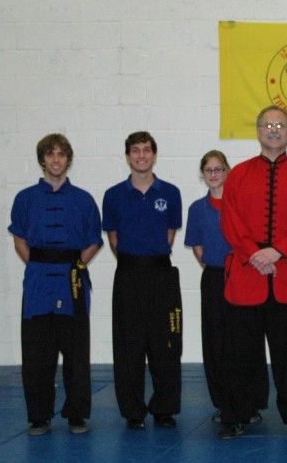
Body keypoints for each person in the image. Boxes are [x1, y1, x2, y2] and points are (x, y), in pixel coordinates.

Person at [219, 106, 287, 440]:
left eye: (280, 125)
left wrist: (277, 251)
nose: (274, 130)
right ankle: (236, 414)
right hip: (246, 277)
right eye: (268, 124)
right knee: (240, 354)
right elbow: (230, 221)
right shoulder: (238, 175)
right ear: (258, 130)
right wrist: (254, 254)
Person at [9, 134, 102, 436]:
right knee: (37, 355)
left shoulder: (84, 199)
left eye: (61, 154)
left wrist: (75, 267)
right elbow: (20, 239)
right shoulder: (25, 198)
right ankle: (39, 416)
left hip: (71, 282)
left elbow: (93, 241)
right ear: (43, 159)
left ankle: (76, 414)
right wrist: (38, 264)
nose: (56, 160)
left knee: (76, 354)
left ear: (68, 159)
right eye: (51, 155)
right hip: (38, 283)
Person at [102, 131, 183, 430]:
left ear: (154, 154)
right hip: (128, 274)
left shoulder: (170, 193)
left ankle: (164, 408)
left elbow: (170, 235)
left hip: (161, 273)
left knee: (166, 343)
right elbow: (113, 239)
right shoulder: (113, 195)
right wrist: (133, 260)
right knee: (128, 345)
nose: (141, 155)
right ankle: (133, 411)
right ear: (127, 156)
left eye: (146, 150)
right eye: (135, 150)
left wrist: (151, 257)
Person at [185, 150, 267, 426]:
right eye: (208, 170)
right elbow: (197, 246)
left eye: (218, 169)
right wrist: (212, 266)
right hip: (214, 278)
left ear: (228, 171)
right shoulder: (197, 209)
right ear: (203, 174)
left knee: (247, 340)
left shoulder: (242, 203)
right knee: (216, 342)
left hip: (245, 276)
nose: (213, 174)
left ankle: (252, 402)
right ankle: (224, 402)